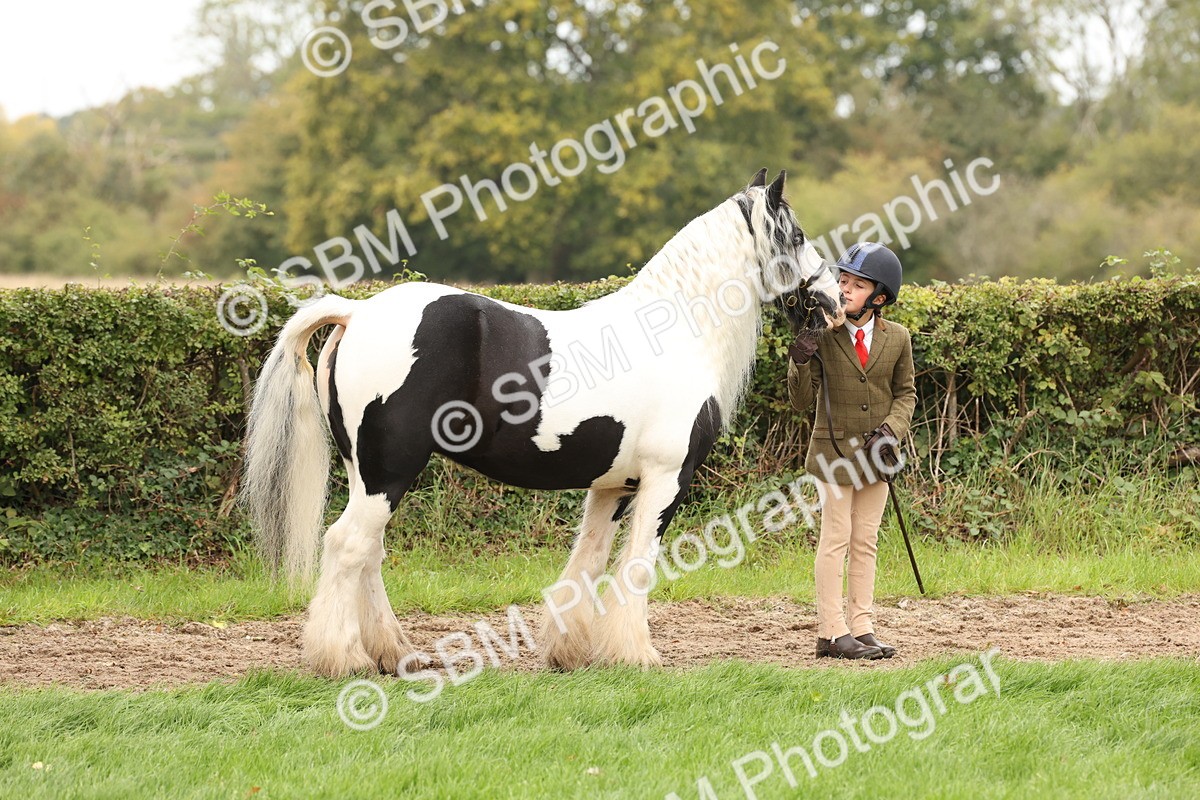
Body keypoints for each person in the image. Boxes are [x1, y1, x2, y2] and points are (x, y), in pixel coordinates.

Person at [787, 242, 917, 660]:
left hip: (877, 455)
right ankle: (831, 630)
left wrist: (890, 431)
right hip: (833, 453)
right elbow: (800, 401)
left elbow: (906, 394)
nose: (844, 289)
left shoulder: (898, 338)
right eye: (842, 280)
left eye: (855, 284)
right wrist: (800, 360)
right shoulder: (824, 334)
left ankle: (861, 626)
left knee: (866, 541)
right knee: (836, 539)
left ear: (878, 297)